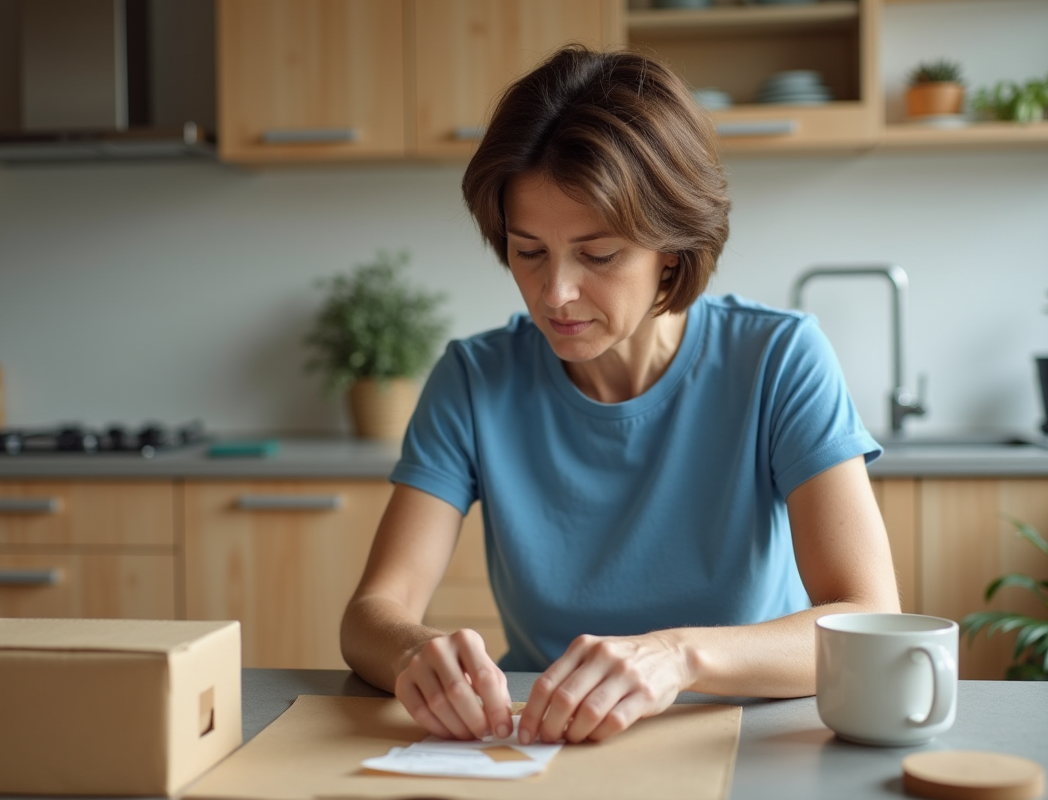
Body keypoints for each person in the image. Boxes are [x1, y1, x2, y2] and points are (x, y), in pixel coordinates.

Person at [340, 45, 900, 746]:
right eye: (528, 251)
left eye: (598, 255)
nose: (556, 293)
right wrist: (412, 653)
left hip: (746, 743)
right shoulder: (475, 379)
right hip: (554, 748)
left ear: (672, 246)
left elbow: (866, 615)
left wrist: (679, 656)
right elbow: (373, 611)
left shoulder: (779, 359)